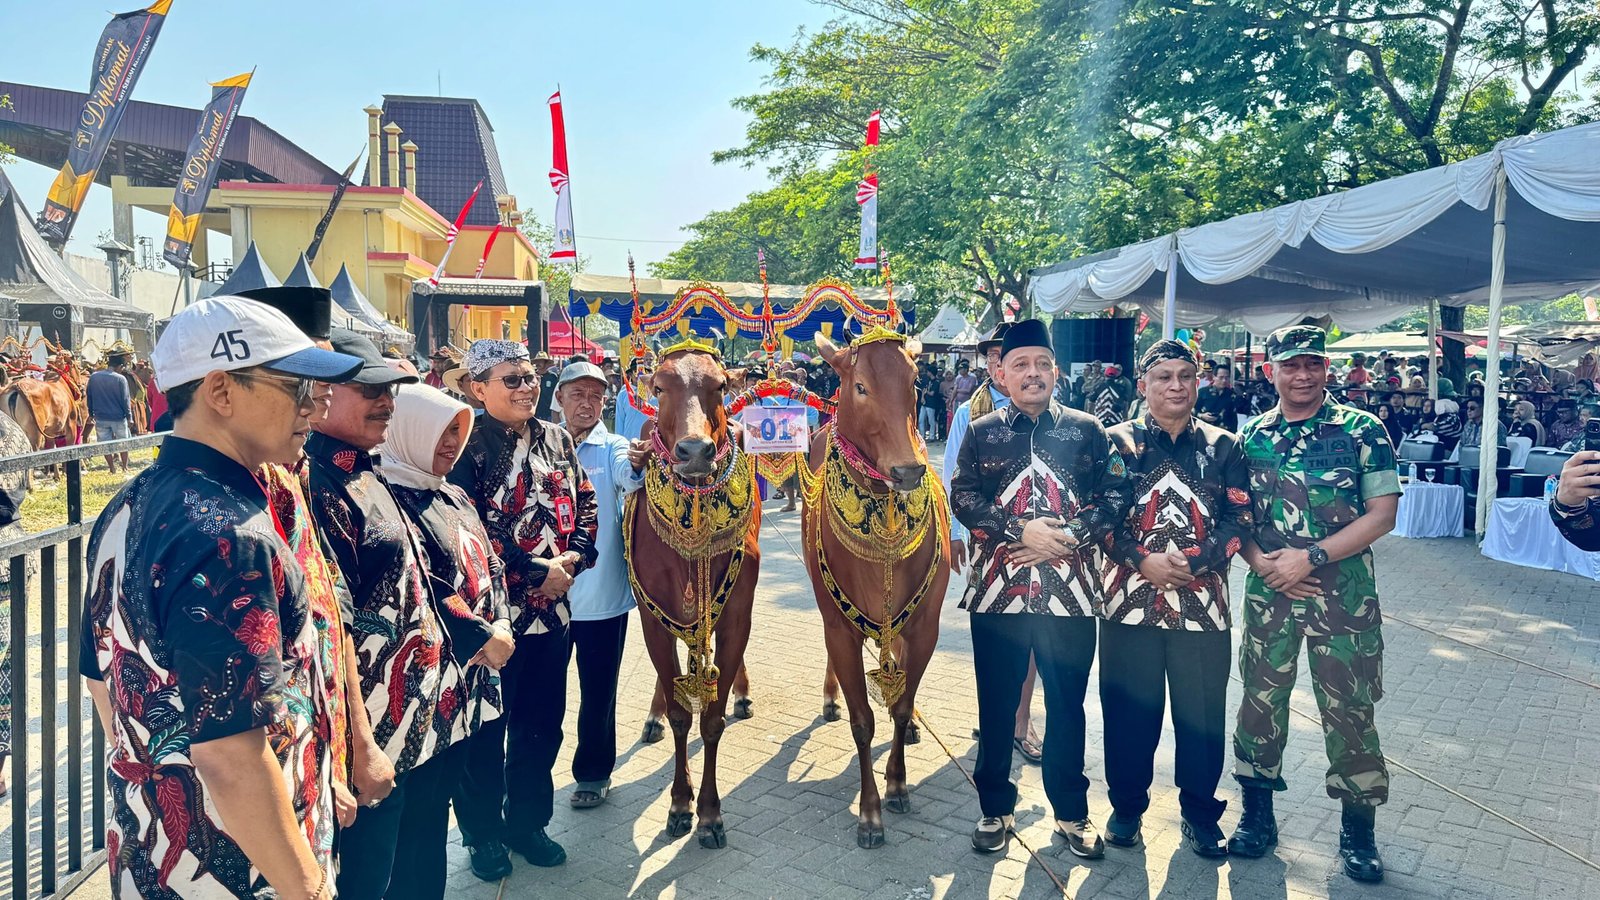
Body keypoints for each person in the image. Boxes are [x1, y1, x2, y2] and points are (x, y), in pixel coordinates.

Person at [80, 296, 362, 899]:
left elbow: (102, 682)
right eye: (296, 387)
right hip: (242, 869)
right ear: (221, 391)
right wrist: (306, 887)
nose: (314, 406)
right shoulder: (230, 536)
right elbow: (232, 759)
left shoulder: (126, 507)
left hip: (154, 854)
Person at [950, 319, 1132, 858]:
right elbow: (960, 496)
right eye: (1021, 365)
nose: (1033, 374)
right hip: (998, 594)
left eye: (1042, 365)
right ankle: (995, 808)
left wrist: (1070, 536)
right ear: (1001, 374)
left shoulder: (1087, 430)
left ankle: (1072, 813)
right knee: (997, 704)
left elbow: (1117, 494)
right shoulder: (982, 432)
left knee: (1068, 705)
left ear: (1056, 372)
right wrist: (1017, 531)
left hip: (1070, 592)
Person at [306, 330, 477, 900]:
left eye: (392, 389)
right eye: (370, 388)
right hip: (372, 731)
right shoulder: (313, 484)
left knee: (422, 858)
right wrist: (359, 742)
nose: (387, 401)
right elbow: (335, 625)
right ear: (322, 391)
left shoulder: (369, 468)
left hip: (422, 719)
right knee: (369, 876)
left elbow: (418, 582)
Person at [1231, 325, 1399, 883]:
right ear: (1270, 371)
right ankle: (1257, 815)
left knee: (1350, 709)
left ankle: (1358, 830)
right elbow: (1239, 520)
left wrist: (1312, 558)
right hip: (1269, 594)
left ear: (1327, 368)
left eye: (1312, 364)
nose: (1302, 375)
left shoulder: (1361, 430)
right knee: (1260, 701)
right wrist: (1262, 564)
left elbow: (1382, 515)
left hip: (1343, 596)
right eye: (1290, 365)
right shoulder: (1249, 437)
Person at [450, 339, 599, 879]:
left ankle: (527, 823)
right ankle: (483, 835)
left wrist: (574, 558)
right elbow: (468, 527)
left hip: (554, 615)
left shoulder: (558, 438)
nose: (526, 387)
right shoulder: (465, 445)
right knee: (487, 730)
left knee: (542, 726)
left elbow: (585, 501)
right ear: (477, 387)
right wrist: (538, 571)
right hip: (493, 621)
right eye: (511, 379)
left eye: (532, 376)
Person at [1100, 340, 1252, 858]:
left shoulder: (1224, 446)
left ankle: (1200, 816)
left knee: (1202, 716)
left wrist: (1200, 561)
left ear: (1199, 381)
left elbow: (1240, 519)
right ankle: (1125, 809)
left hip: (1203, 606)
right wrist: (1140, 559)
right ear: (1143, 385)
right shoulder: (1114, 443)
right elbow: (1097, 518)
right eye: (1163, 376)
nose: (1176, 386)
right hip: (1128, 604)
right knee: (1127, 714)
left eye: (1186, 375)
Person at [377, 383, 518, 891]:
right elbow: (426, 583)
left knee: (453, 794)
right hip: (428, 684)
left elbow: (491, 561)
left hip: (474, 679)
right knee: (415, 820)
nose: (452, 443)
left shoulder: (452, 492)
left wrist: (501, 619)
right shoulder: (389, 496)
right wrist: (482, 633)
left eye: (459, 431)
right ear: (409, 429)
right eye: (442, 431)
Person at [554, 361, 647, 810]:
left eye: (596, 395)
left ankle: (593, 773)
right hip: (541, 600)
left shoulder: (613, 447)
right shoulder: (540, 445)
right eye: (577, 394)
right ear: (559, 399)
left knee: (598, 692)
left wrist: (639, 464)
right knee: (543, 696)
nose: (587, 403)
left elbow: (630, 479)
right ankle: (528, 776)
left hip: (601, 599)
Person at [85, 353, 133, 472]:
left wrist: (91, 413)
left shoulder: (94, 377)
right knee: (123, 443)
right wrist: (129, 417)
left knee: (105, 445)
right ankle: (125, 467)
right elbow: (125, 400)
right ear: (119, 366)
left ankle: (112, 468)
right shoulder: (120, 379)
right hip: (118, 417)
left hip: (100, 417)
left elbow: (89, 396)